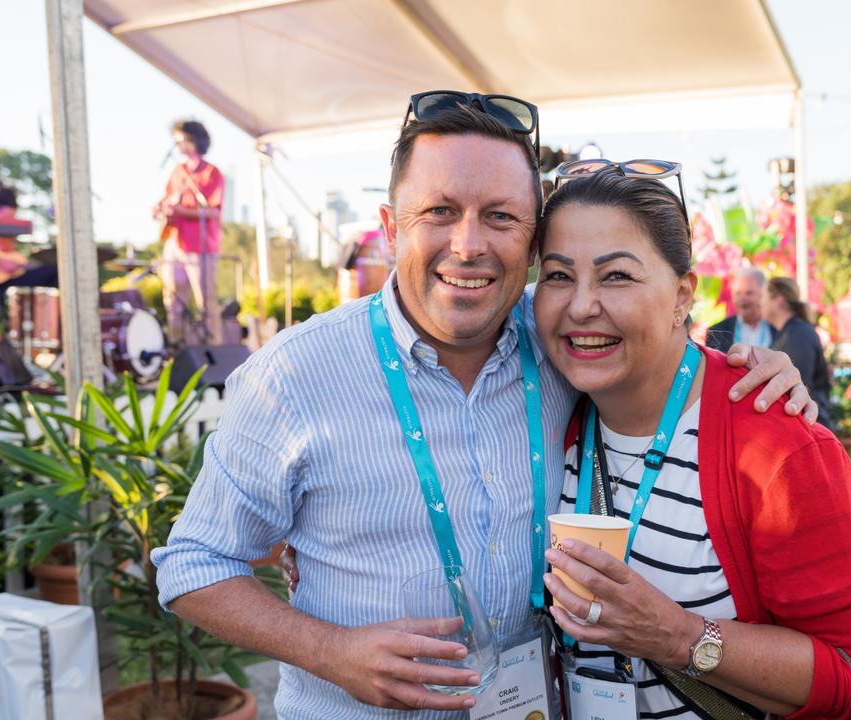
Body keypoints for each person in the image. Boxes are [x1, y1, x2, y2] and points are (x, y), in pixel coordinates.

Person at [152, 95, 816, 718]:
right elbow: (194, 564)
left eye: (500, 216)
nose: (469, 244)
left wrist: (758, 365)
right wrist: (329, 651)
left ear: (530, 243)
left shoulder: (563, 346)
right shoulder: (294, 375)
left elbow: (655, 343)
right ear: (390, 228)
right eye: (439, 211)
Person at [535, 164, 851, 718]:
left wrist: (675, 636)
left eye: (617, 276)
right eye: (557, 276)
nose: (580, 306)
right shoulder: (548, 402)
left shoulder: (777, 444)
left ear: (682, 293)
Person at [153, 119, 225, 344]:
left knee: (206, 302)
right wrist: (159, 208)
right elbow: (167, 198)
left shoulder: (212, 173)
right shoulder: (178, 172)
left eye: (180, 140)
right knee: (173, 300)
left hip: (200, 245)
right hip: (175, 243)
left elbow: (213, 211)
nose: (176, 145)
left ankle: (214, 351)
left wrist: (181, 210)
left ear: (192, 140)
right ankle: (177, 349)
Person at [763, 276, 833, 429]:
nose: (760, 303)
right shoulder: (790, 331)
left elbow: (798, 385)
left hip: (810, 425)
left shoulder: (796, 334)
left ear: (779, 300)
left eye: (764, 297)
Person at [0, 180, 59, 291]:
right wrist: (0, 260)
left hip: (10, 275)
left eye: (11, 216)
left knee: (53, 272)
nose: (9, 220)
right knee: (54, 273)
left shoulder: (9, 229)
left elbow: (10, 255)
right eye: (6, 216)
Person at [705, 267, 776, 351]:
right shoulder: (717, 332)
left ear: (763, 294)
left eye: (749, 293)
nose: (742, 298)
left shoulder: (779, 328)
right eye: (738, 293)